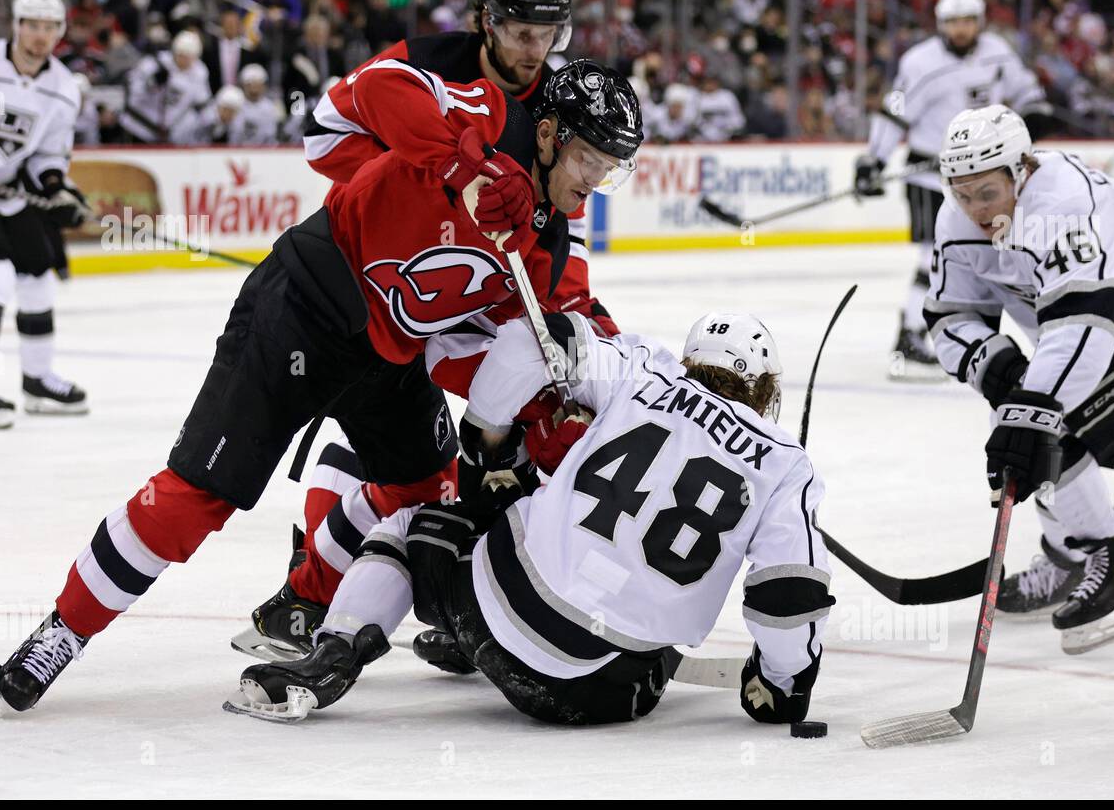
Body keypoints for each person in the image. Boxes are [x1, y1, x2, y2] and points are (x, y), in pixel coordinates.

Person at [0, 58, 644, 713]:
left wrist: (556, 408)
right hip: (303, 307)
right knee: (200, 496)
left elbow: (501, 348)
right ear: (548, 133)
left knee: (431, 490)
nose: (595, 181)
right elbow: (369, 89)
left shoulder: (545, 241)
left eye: (609, 169)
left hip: (388, 355)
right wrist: (462, 162)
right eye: (589, 158)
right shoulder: (492, 118)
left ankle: (304, 602)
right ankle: (61, 633)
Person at [236, 0, 618, 673]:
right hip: (392, 291)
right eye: (521, 32)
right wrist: (427, 195)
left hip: (450, 298)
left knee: (423, 458)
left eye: (551, 33)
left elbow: (554, 246)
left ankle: (324, 589)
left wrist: (580, 318)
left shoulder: (552, 111)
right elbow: (329, 134)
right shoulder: (434, 67)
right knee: (439, 466)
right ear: (487, 21)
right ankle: (324, 593)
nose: (536, 51)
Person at [229, 311, 835, 727]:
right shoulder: (786, 464)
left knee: (418, 519)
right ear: (763, 389)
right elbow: (787, 596)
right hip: (608, 692)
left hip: (493, 615)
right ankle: (469, 648)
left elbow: (531, 340)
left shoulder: (644, 372)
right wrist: (784, 685)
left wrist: (484, 436)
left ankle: (333, 657)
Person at [926, 105, 1114, 653]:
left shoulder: (1068, 199)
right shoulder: (955, 215)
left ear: (1023, 169)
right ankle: (1069, 559)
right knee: (1024, 423)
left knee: (1041, 428)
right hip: (1089, 335)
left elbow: (1087, 323)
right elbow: (950, 317)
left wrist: (1032, 407)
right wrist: (1001, 370)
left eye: (986, 193)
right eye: (961, 194)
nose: (973, 211)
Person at [857, 0, 1051, 381]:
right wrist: (873, 159)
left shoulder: (997, 51)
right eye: (953, 22)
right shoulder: (919, 62)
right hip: (931, 174)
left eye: (967, 21)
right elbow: (894, 114)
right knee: (935, 253)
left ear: (979, 22)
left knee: (990, 252)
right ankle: (910, 335)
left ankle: (982, 328)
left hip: (985, 175)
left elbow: (1027, 91)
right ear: (940, 24)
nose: (961, 30)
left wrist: (1033, 115)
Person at [0, 0, 91, 428]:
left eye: (50, 27)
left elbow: (49, 153)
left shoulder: (63, 89)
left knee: (37, 278)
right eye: (32, 25)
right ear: (16, 25)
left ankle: (37, 380)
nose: (39, 36)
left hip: (7, 191)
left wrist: (55, 188)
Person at [119, 29, 210, 144]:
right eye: (181, 55)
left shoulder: (199, 73)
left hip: (166, 136)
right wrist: (152, 83)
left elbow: (201, 104)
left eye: (189, 57)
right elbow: (132, 92)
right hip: (138, 128)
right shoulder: (155, 63)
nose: (184, 60)